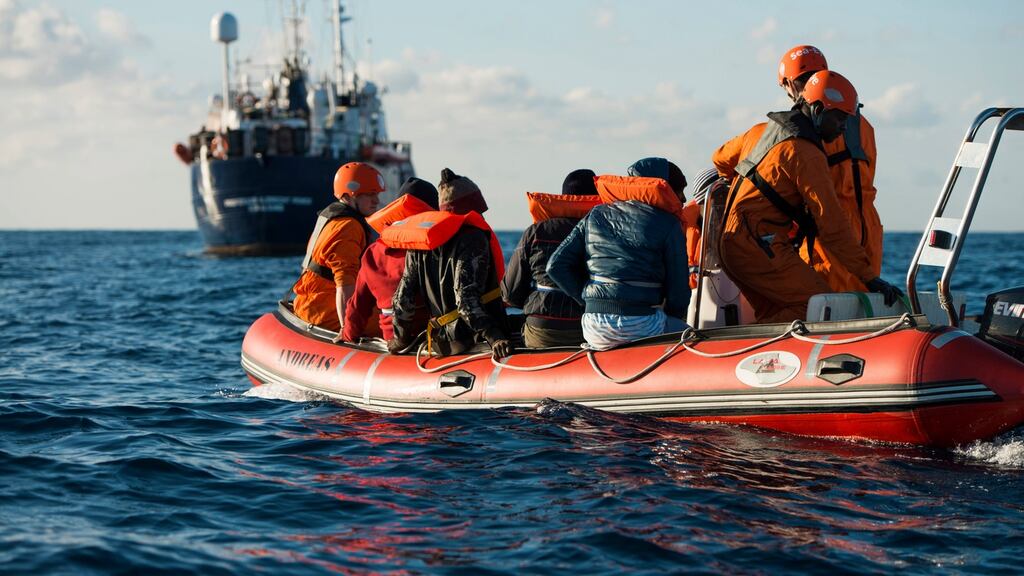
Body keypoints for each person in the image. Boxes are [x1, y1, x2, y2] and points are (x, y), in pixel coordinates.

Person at [712, 70, 902, 323]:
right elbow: (832, 224)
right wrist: (869, 278)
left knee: (776, 312)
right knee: (819, 307)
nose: (844, 127)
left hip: (732, 242)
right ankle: (742, 352)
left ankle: (757, 359)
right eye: (839, 119)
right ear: (818, 109)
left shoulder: (765, 132)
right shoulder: (807, 155)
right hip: (756, 245)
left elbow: (719, 158)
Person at [778, 45, 883, 291]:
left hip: (830, 235)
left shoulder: (809, 127)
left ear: (790, 84)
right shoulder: (863, 124)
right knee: (864, 310)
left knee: (826, 316)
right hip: (870, 231)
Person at [546, 174, 690, 350]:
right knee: (692, 336)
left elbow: (555, 266)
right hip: (642, 325)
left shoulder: (595, 214)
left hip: (594, 327)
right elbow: (679, 295)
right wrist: (673, 315)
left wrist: (588, 298)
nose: (683, 198)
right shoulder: (668, 223)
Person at [387, 169, 512, 358]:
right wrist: (495, 337)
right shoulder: (473, 238)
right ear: (471, 207)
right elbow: (465, 302)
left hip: (440, 341)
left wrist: (400, 339)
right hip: (468, 340)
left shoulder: (420, 243)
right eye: (479, 211)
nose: (482, 218)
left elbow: (402, 299)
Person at [502, 169, 599, 348]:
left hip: (542, 331)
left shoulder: (536, 231)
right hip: (590, 329)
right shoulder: (604, 233)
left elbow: (511, 294)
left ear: (564, 197)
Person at [341, 178, 439, 343]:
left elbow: (358, 307)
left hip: (391, 339)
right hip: (433, 339)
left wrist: (348, 335)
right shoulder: (438, 247)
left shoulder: (373, 252)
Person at [293, 162, 384, 333]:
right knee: (392, 324)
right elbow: (345, 284)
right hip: (323, 311)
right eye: (370, 195)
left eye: (376, 194)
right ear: (350, 195)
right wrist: (348, 329)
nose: (376, 201)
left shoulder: (333, 218)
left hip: (311, 302)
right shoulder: (348, 227)